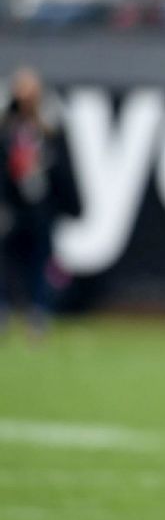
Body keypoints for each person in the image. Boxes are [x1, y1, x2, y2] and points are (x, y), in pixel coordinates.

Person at [0, 67, 80, 336]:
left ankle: (38, 313)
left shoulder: (48, 127)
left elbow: (63, 169)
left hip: (40, 208)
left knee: (40, 262)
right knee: (6, 261)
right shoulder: (6, 127)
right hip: (11, 205)